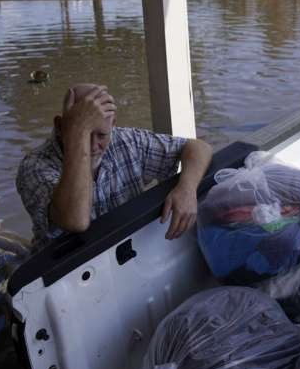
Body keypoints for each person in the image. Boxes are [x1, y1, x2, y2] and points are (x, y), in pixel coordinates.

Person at [16, 84, 212, 249]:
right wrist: (77, 133)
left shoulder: (127, 141)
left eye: (101, 135)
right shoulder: (33, 167)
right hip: (60, 278)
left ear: (113, 125)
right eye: (84, 133)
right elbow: (75, 221)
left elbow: (198, 147)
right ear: (60, 126)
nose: (93, 146)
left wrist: (187, 188)